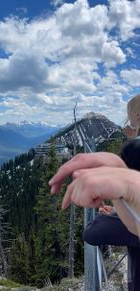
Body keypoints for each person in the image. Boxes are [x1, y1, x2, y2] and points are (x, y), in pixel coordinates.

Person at [54, 94, 140, 289]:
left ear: (136, 114)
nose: (128, 122)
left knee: (94, 230)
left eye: (129, 118)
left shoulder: (133, 150)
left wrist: (117, 198)